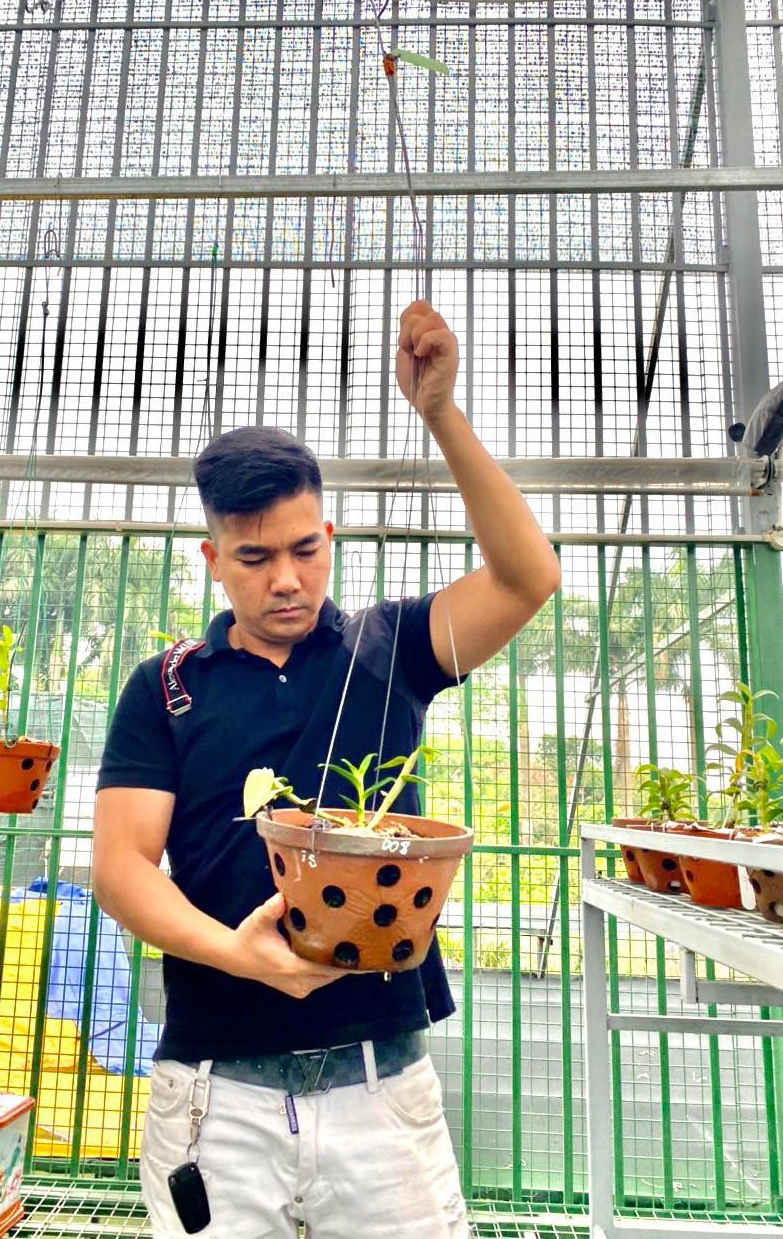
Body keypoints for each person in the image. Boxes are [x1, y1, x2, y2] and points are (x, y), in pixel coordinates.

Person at [93, 300, 560, 1238]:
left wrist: (440, 414)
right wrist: (239, 954)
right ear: (213, 559)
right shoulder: (168, 686)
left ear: (330, 538)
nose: (286, 579)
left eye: (305, 550)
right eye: (255, 557)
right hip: (214, 1093)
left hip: (380, 1087)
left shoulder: (391, 647)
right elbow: (121, 866)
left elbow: (527, 578)